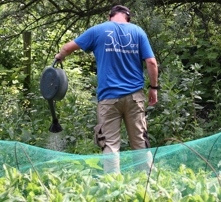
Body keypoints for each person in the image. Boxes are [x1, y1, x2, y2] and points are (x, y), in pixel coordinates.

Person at [55, 5, 158, 174]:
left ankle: (113, 189)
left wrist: (60, 56)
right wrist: (154, 88)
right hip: (134, 98)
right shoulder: (138, 31)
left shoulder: (98, 30)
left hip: (108, 98)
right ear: (128, 18)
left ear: (109, 17)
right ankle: (146, 184)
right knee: (140, 142)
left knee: (110, 144)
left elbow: (67, 48)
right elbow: (152, 62)